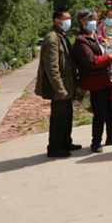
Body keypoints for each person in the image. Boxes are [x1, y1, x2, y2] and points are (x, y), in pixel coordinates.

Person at [72, 9, 112, 153]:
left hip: (109, 78)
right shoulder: (81, 40)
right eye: (91, 20)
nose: (94, 22)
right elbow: (91, 61)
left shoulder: (96, 35)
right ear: (82, 22)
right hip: (96, 81)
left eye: (95, 19)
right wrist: (109, 58)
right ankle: (96, 142)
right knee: (100, 112)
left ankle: (111, 136)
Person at [35, 9, 81, 158]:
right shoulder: (52, 38)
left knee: (67, 116)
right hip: (59, 87)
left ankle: (66, 142)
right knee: (58, 118)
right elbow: (52, 67)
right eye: (66, 19)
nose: (69, 21)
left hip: (67, 84)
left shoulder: (62, 35)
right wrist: (59, 89)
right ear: (57, 21)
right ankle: (54, 147)